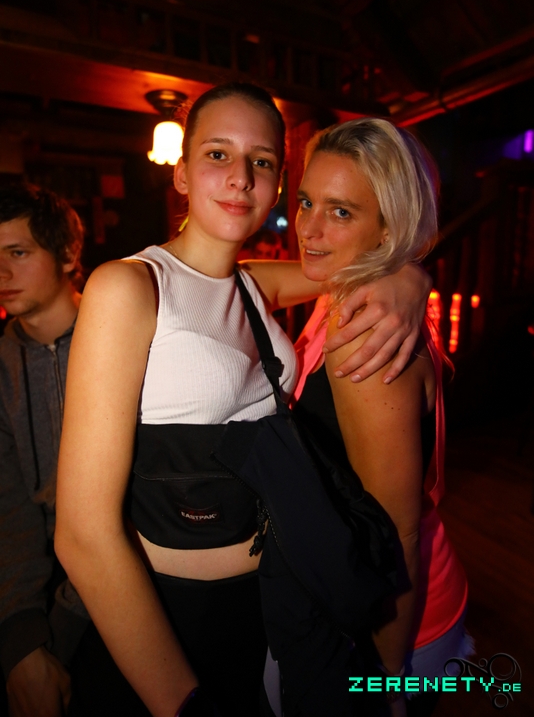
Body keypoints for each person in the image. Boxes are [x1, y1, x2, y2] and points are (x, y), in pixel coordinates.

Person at [55, 83, 431, 717]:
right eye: (217, 154)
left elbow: (360, 260)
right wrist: (182, 704)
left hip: (272, 612)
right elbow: (83, 535)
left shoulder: (252, 284)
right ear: (181, 173)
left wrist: (410, 276)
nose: (240, 177)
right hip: (173, 620)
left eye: (261, 161)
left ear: (277, 184)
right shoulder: (130, 287)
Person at [292, 119, 470, 716]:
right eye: (307, 202)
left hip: (400, 624)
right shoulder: (346, 291)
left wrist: (388, 679)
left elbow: (397, 536)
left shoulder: (364, 336)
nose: (309, 228)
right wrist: (412, 272)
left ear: (388, 228)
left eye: (340, 212)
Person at [0, 183, 88, 717]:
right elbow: (8, 510)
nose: (2, 273)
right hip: (41, 590)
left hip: (138, 585)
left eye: (17, 252)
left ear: (69, 254)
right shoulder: (2, 367)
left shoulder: (124, 334)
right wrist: (22, 640)